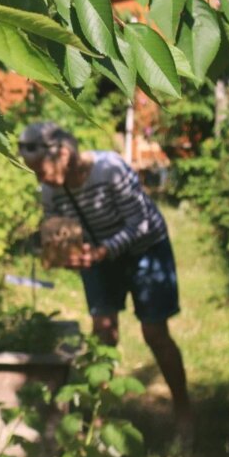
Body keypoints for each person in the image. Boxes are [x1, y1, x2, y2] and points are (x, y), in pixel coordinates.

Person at [18, 121, 193, 440]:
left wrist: (102, 251)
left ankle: (183, 411)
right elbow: (62, 231)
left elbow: (140, 223)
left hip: (145, 250)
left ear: (65, 155)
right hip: (100, 256)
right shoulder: (50, 190)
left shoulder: (110, 169)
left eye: (40, 169)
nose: (39, 178)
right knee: (103, 336)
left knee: (154, 332)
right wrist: (66, 256)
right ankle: (98, 419)